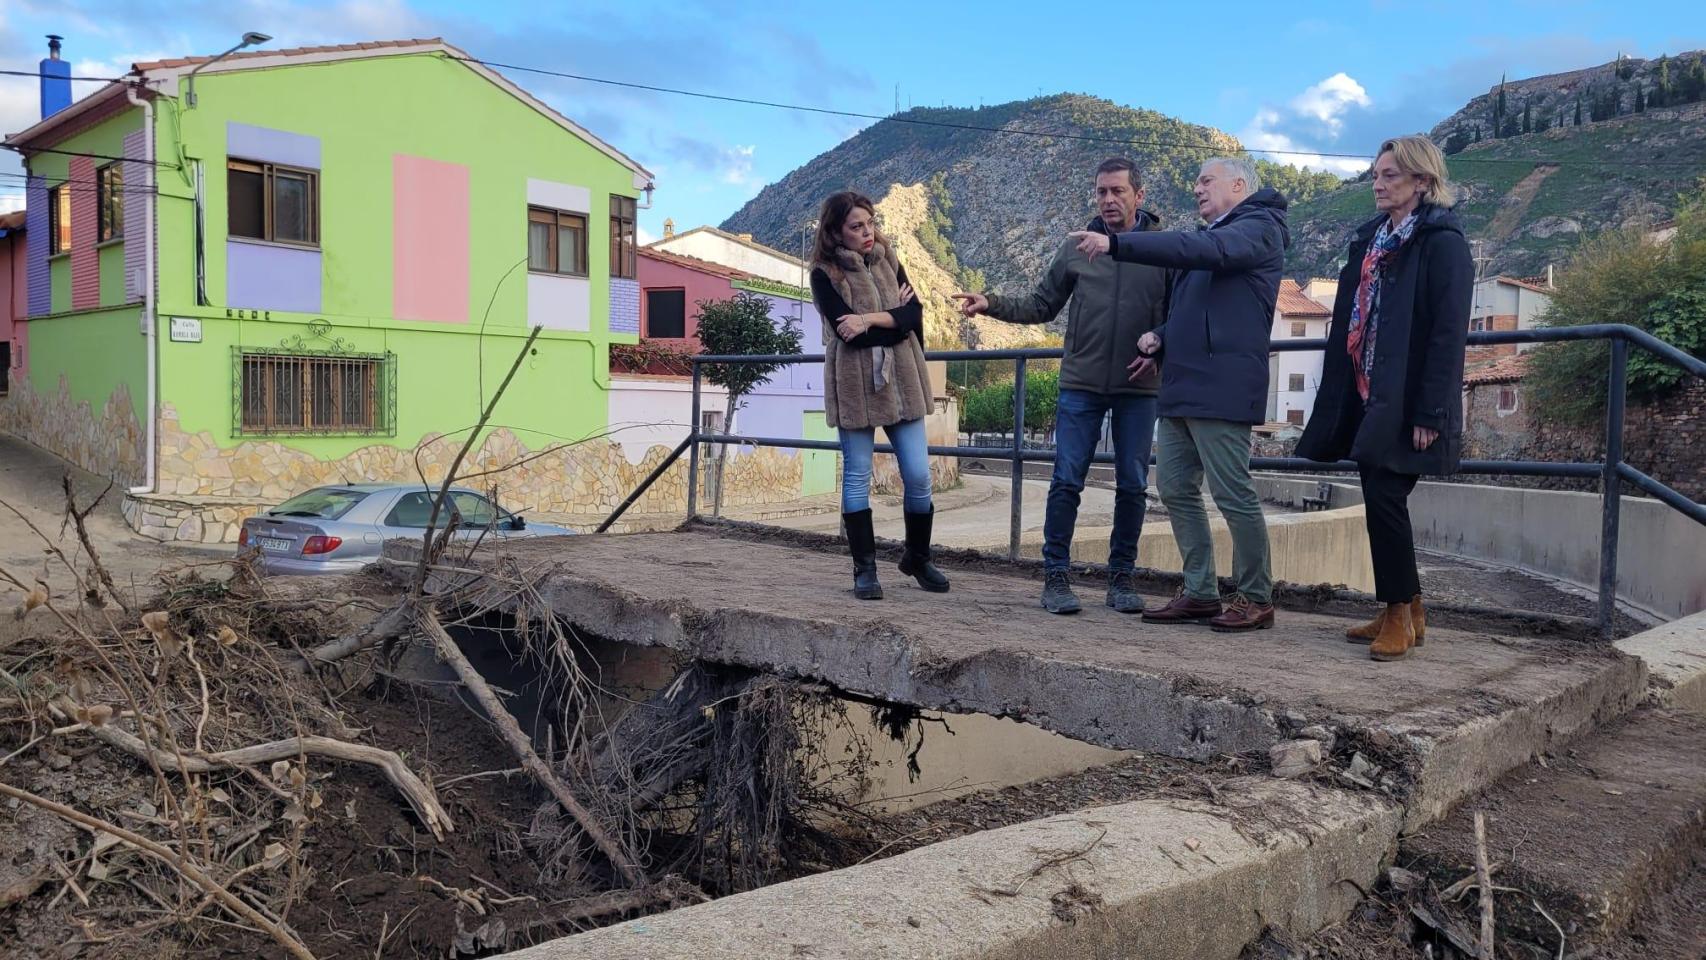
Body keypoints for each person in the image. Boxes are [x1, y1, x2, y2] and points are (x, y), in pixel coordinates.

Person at [1068, 156, 1286, 632]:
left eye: (1206, 180)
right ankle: (1201, 591)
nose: (1197, 188)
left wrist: (1118, 244)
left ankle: (1255, 597)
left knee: (1232, 493)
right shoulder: (1216, 238)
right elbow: (1194, 307)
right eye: (1197, 181)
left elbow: (1210, 253)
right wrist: (1160, 336)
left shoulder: (1257, 227)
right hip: (1183, 385)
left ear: (1238, 185)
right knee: (1173, 488)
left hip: (1221, 386)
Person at [952, 158, 1170, 615]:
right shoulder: (1076, 248)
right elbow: (1041, 304)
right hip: (1081, 385)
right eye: (1101, 192)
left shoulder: (1163, 250)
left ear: (1139, 196)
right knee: (1066, 480)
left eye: (1117, 191)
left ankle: (1121, 579)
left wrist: (1160, 350)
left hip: (1139, 388)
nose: (1108, 200)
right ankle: (1055, 577)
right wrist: (990, 302)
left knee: (1132, 485)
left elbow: (1178, 317)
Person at [1297, 136, 1472, 662]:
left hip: (1408, 401)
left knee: (1385, 499)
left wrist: (1429, 412)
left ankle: (1399, 612)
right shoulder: (1374, 240)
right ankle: (1408, 610)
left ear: (1422, 181)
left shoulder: (1442, 243)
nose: (1378, 183)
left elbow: (1447, 335)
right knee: (1379, 496)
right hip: (1371, 394)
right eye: (1376, 174)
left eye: (1390, 175)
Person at [808, 191, 947, 600]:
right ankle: (864, 570)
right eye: (856, 226)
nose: (867, 233)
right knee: (857, 477)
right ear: (836, 231)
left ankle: (918, 558)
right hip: (854, 386)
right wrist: (892, 320)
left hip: (902, 380)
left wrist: (868, 319)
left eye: (870, 223)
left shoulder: (888, 259)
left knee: (919, 475)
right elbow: (843, 331)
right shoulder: (823, 274)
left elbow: (914, 316)